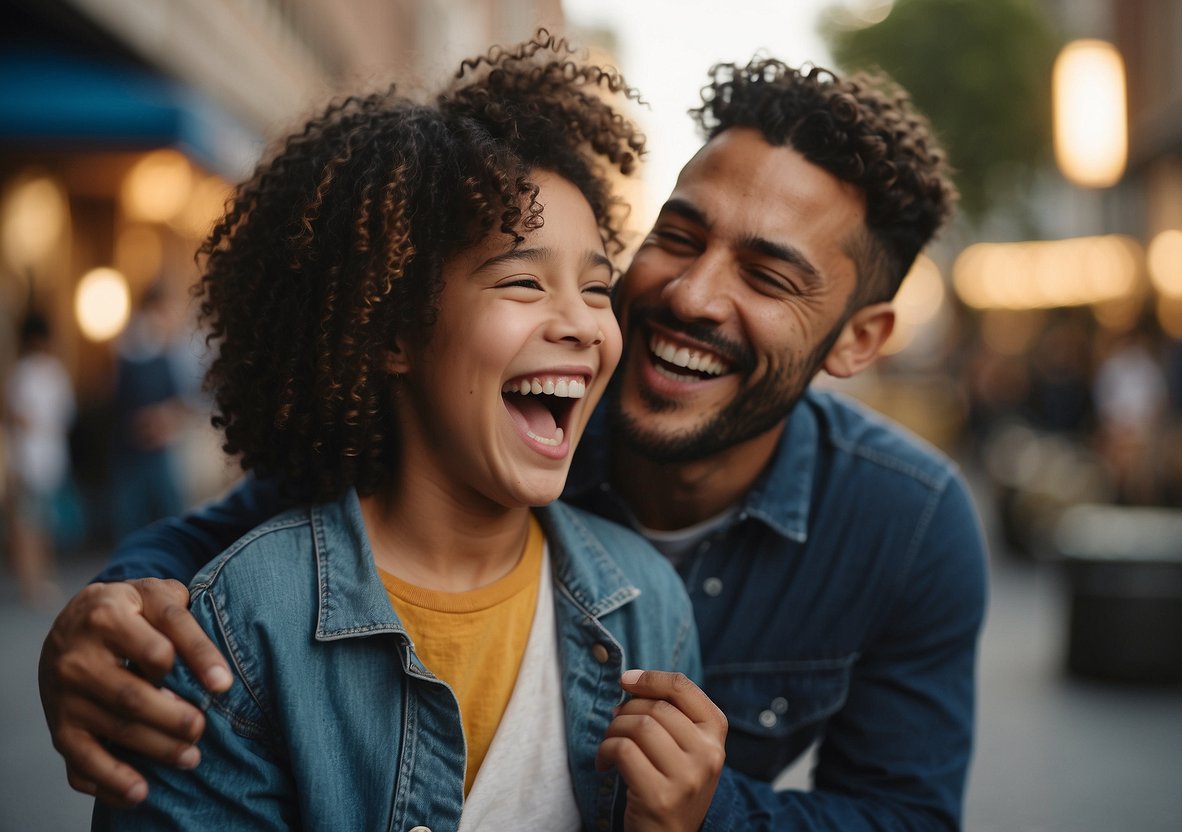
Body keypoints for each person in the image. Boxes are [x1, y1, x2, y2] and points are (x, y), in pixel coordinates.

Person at [43, 53, 987, 830]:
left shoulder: (907, 522)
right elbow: (263, 541)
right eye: (678, 236)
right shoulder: (490, 414)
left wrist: (704, 817)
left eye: (768, 276)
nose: (693, 296)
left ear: (857, 340)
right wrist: (108, 612)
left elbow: (903, 816)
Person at [88, 34, 720, 831]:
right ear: (390, 332)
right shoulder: (239, 632)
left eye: (596, 287)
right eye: (523, 281)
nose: (582, 325)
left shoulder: (648, 609)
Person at [4, 312, 74, 606]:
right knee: (38, 523)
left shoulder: (22, 373)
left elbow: (13, 416)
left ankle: (32, 580)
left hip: (30, 459)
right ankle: (37, 579)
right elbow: (66, 415)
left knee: (30, 524)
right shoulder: (54, 372)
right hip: (47, 458)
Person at [109, 282, 188, 539]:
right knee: (135, 518)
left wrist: (165, 421)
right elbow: (119, 404)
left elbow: (177, 400)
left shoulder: (164, 353)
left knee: (166, 512)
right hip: (134, 449)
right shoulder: (131, 352)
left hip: (157, 448)